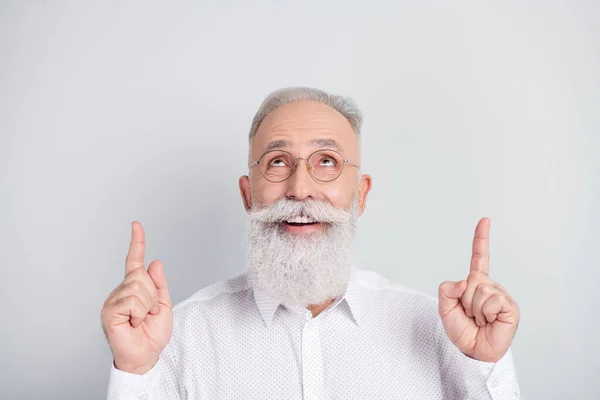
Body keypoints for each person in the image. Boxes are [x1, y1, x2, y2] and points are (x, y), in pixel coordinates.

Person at [101, 87, 521, 399]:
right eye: (278, 161)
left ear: (361, 194)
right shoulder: (183, 334)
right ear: (249, 196)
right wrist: (136, 371)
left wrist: (486, 365)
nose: (300, 189)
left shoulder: (436, 328)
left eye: (327, 162)